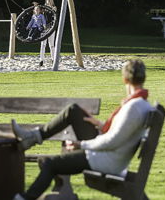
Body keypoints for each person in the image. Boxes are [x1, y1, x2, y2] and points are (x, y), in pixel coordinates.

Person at [11, 59, 152, 200]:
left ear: (125, 79)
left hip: (106, 159)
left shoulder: (133, 107)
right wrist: (101, 125)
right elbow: (121, 133)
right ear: (143, 78)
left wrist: (81, 145)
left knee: (50, 164)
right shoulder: (142, 105)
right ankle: (33, 137)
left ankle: (25, 197)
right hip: (110, 155)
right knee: (73, 111)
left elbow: (112, 140)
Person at [39, 0, 56, 67]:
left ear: (52, 1)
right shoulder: (43, 8)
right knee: (43, 44)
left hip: (51, 27)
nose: (48, 1)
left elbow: (54, 11)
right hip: (44, 28)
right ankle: (41, 60)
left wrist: (50, 7)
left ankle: (53, 59)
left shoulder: (54, 7)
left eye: (49, 0)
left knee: (51, 45)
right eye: (47, 0)